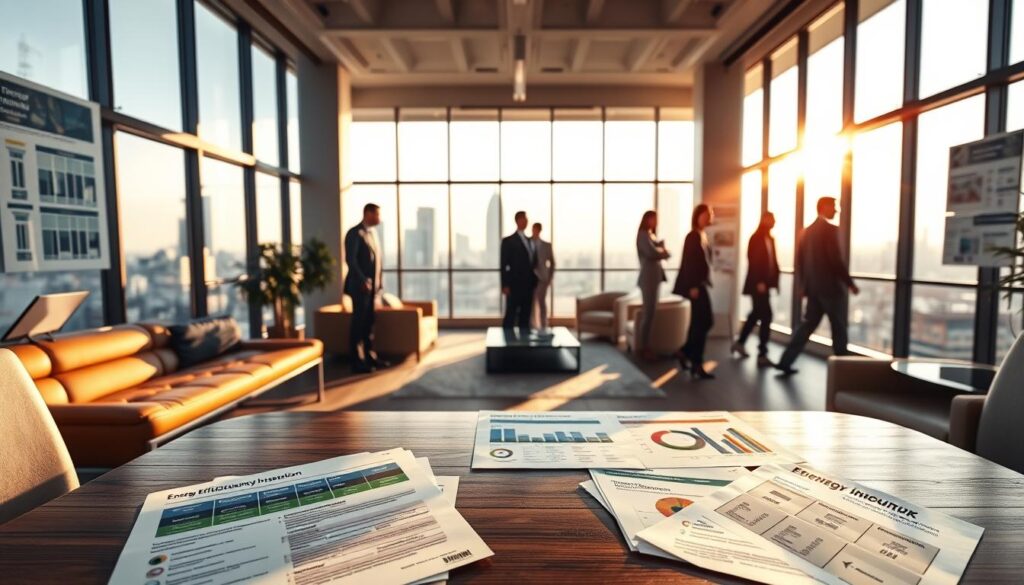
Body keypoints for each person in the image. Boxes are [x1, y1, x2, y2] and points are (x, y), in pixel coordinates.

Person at [776, 196, 859, 376]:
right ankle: (842, 371)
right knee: (838, 328)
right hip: (830, 289)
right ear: (824, 207)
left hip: (813, 289)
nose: (836, 210)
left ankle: (785, 361)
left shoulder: (806, 231)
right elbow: (835, 260)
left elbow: (800, 262)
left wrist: (804, 286)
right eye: (834, 206)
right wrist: (850, 283)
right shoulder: (830, 230)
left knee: (806, 327)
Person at [733, 211, 780, 367]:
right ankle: (762, 353)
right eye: (771, 219)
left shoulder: (770, 239)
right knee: (766, 315)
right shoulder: (756, 238)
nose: (773, 222)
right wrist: (759, 281)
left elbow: (773, 262)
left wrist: (774, 282)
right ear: (764, 220)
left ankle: (740, 343)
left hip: (765, 285)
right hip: (758, 285)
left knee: (756, 314)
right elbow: (753, 260)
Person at [673, 204, 715, 379]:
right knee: (704, 321)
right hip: (695, 286)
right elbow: (689, 263)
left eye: (709, 215)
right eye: (704, 215)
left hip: (700, 284)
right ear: (697, 216)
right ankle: (695, 361)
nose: (707, 218)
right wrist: (693, 286)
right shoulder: (692, 236)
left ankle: (686, 353)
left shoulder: (703, 235)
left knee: (699, 322)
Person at [344, 203, 385, 374]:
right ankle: (357, 361)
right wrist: (364, 281)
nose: (379, 218)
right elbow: (351, 261)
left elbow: (376, 262)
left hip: (372, 290)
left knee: (369, 324)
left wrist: (378, 285)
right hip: (360, 288)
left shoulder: (372, 234)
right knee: (358, 324)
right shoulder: (355, 233)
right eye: (377, 214)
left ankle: (369, 356)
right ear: (368, 213)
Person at [636, 210, 671, 361]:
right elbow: (651, 253)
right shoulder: (643, 235)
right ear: (647, 219)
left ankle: (646, 346)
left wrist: (660, 247)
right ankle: (644, 347)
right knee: (648, 313)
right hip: (648, 279)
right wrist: (664, 252)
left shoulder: (650, 235)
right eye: (653, 219)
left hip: (654, 278)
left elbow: (655, 250)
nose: (655, 222)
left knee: (651, 313)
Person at [500, 210, 538, 333]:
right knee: (510, 315)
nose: (526, 222)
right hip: (514, 285)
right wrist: (505, 285)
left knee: (525, 316)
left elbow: (533, 262)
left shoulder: (530, 240)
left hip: (528, 285)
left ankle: (524, 345)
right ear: (518, 221)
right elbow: (504, 265)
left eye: (527, 220)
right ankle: (505, 346)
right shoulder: (508, 241)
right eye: (524, 219)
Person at [531, 222, 555, 332]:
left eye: (536, 229)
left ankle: (543, 325)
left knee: (541, 302)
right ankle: (532, 325)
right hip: (530, 278)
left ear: (539, 230)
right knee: (530, 303)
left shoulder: (547, 245)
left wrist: (549, 278)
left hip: (543, 278)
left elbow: (552, 263)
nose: (534, 231)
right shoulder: (527, 242)